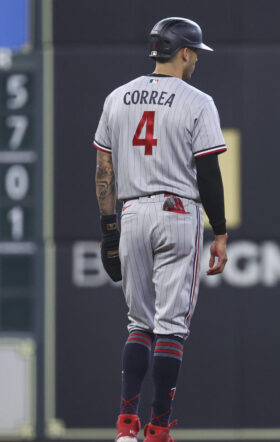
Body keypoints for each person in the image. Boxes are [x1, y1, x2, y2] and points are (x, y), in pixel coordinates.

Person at [93, 17, 228, 442]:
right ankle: (157, 427)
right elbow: (208, 172)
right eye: (194, 54)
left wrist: (108, 228)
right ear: (184, 52)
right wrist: (220, 231)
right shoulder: (197, 100)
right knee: (171, 327)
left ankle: (126, 423)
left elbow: (103, 170)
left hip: (131, 212)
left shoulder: (117, 97)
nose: (195, 62)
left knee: (138, 324)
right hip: (176, 211)